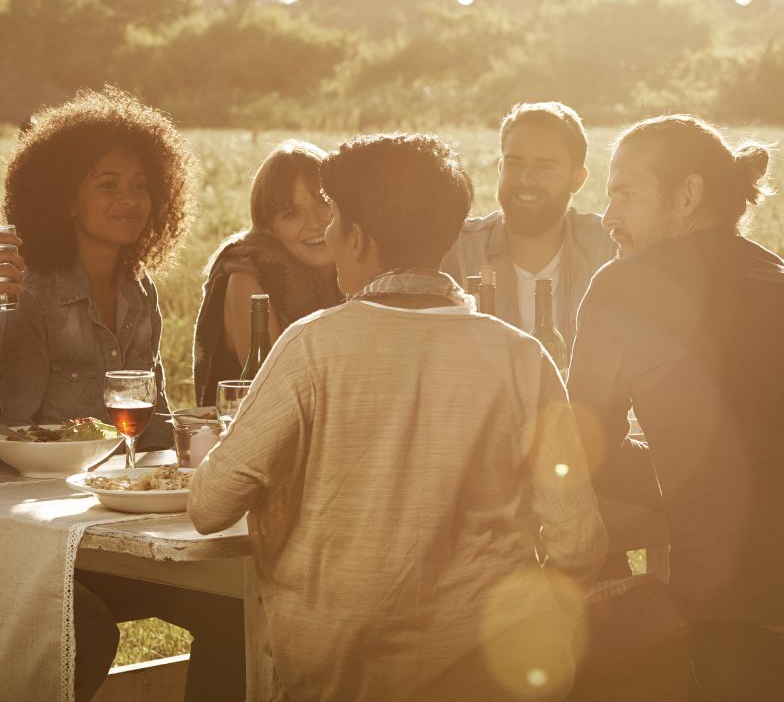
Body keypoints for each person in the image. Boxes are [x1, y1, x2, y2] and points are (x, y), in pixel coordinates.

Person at [189, 132, 607, 702]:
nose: (328, 234)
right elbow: (579, 541)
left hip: (335, 674)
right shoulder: (520, 356)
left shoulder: (311, 347)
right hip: (487, 671)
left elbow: (209, 506)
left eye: (332, 218)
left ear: (356, 239)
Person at [567, 115, 784, 701]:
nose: (608, 216)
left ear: (689, 195)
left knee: (539, 658)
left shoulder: (623, 284)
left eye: (625, 193)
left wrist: (684, 481)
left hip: (752, 646)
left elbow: (582, 447)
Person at [0, 86, 244, 701]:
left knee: (234, 610)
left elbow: (154, 426)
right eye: (106, 184)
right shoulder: (28, 288)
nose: (129, 199)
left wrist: (215, 438)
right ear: (64, 195)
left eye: (139, 184)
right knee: (84, 628)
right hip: (32, 533)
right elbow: (12, 426)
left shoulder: (141, 291)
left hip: (113, 526)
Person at [442, 101, 614, 348]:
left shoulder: (608, 247)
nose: (525, 179)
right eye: (514, 164)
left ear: (577, 179)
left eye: (544, 167)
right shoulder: (456, 249)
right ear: (500, 168)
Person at [192, 139, 341, 405]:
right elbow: (274, 395)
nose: (315, 224)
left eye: (322, 203)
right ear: (269, 228)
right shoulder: (248, 277)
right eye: (291, 213)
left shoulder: (353, 266)